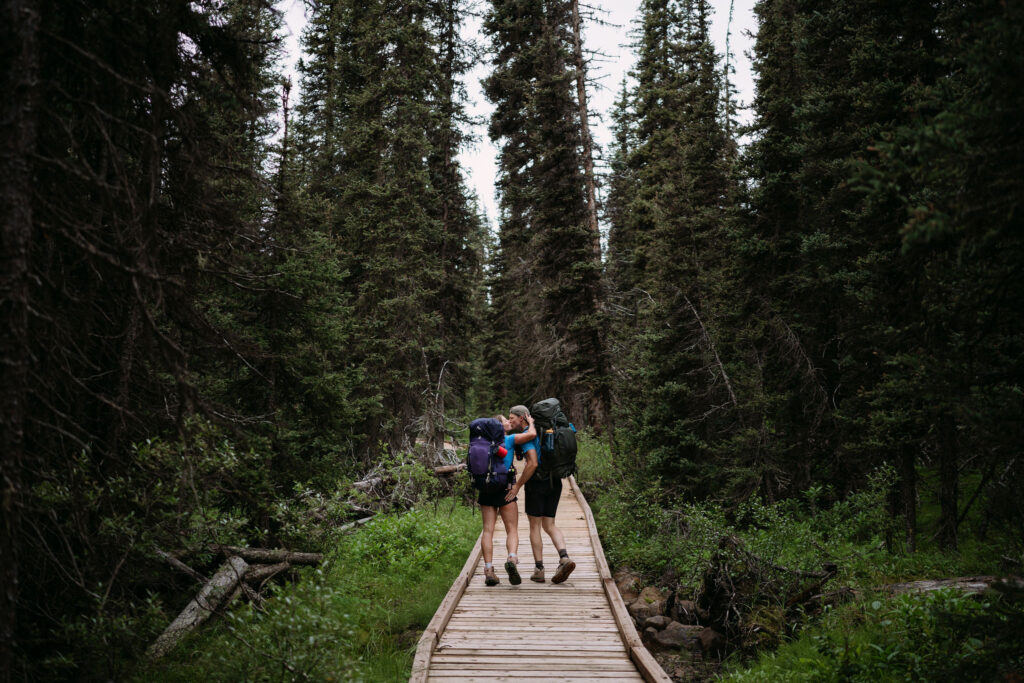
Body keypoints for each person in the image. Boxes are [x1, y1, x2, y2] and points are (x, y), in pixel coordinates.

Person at [509, 405, 576, 584]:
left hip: (537, 484)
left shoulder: (528, 435)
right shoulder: (548, 430)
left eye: (512, 418)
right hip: (555, 482)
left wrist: (518, 485)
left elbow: (532, 464)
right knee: (550, 524)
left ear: (522, 417)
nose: (510, 421)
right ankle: (564, 557)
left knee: (535, 526)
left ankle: (539, 569)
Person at [478, 413, 536, 586]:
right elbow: (531, 435)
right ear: (499, 427)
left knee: (488, 530)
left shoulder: (482, 443)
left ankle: (488, 569)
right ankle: (512, 558)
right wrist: (531, 422)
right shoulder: (509, 440)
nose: (508, 422)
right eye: (505, 421)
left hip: (486, 489)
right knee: (512, 529)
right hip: (505, 490)